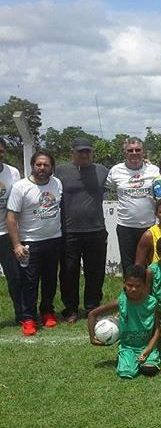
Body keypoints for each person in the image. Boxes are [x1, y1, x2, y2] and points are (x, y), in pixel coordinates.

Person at [7, 151, 63, 335]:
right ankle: (29, 318)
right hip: (30, 242)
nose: (42, 168)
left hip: (54, 240)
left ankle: (47, 312)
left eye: (46, 165)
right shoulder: (20, 187)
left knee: (49, 280)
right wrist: (16, 245)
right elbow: (11, 217)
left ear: (51, 167)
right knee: (29, 282)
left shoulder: (57, 183)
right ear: (32, 166)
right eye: (38, 164)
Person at [56, 137, 108, 323]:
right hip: (70, 231)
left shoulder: (101, 171)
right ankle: (70, 309)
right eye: (80, 151)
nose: (84, 154)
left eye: (87, 151)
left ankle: (92, 306)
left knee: (96, 271)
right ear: (72, 153)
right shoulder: (60, 171)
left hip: (96, 229)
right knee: (69, 271)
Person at [88, 264, 161, 378]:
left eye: (138, 286)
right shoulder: (121, 302)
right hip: (128, 347)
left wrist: (148, 349)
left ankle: (147, 359)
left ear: (144, 285)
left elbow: (157, 330)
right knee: (126, 373)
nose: (133, 289)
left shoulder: (152, 303)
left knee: (149, 370)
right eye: (130, 285)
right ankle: (126, 358)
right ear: (124, 282)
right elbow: (92, 314)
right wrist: (92, 338)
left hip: (146, 346)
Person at [105, 137, 160, 274]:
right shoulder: (116, 171)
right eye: (130, 150)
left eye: (138, 150)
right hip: (126, 226)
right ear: (125, 153)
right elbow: (107, 187)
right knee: (128, 265)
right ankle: (130, 293)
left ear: (143, 152)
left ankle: (149, 294)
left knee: (150, 266)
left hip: (150, 226)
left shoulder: (153, 170)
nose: (134, 153)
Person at [0, 137, 23, 323]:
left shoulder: (12, 172)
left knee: (15, 277)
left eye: (0, 150)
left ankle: (22, 314)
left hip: (7, 234)